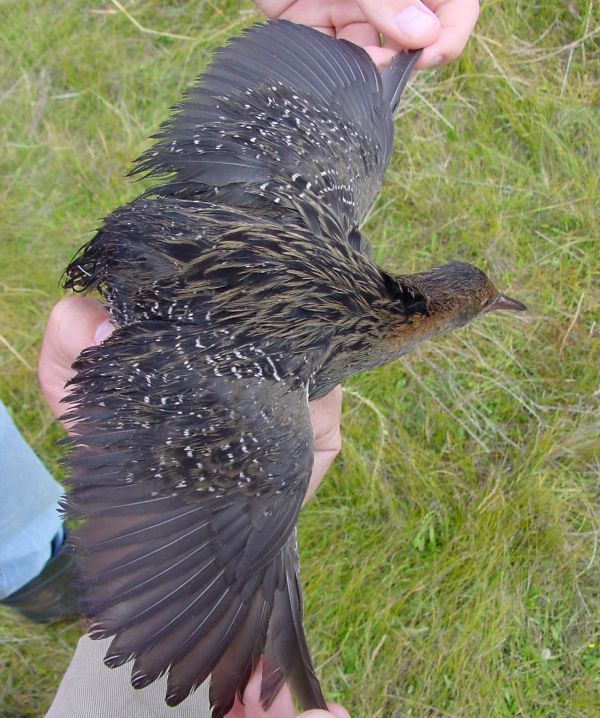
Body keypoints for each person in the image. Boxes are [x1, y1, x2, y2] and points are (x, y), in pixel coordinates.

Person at [0, 1, 479, 715]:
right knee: (268, 480)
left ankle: (34, 560)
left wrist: (388, 72)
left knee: (356, 150)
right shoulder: (271, 412)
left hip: (156, 242)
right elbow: (225, 551)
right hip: (143, 281)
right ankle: (37, 564)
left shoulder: (328, 177)